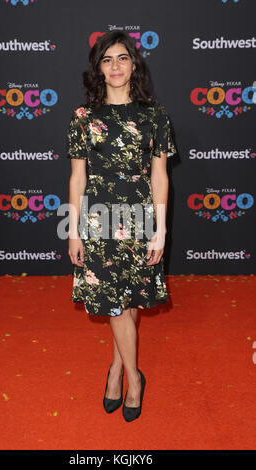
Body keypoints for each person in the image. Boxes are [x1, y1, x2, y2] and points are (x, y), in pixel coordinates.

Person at [66, 30, 177, 422]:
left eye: (123, 58)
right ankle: (133, 375)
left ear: (134, 65)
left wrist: (160, 229)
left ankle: (116, 370)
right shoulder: (84, 117)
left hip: (140, 215)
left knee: (128, 300)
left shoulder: (154, 115)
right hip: (99, 218)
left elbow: (160, 177)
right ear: (98, 67)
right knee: (115, 302)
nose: (115, 66)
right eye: (107, 59)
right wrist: (74, 229)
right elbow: (78, 178)